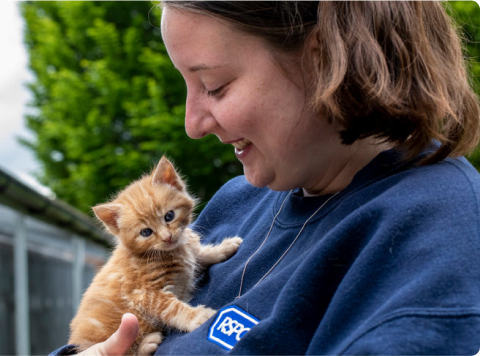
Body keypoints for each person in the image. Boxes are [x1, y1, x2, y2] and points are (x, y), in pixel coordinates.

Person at [52, 1, 480, 354]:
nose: (193, 123)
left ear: (324, 58)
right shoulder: (239, 201)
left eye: (215, 85)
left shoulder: (431, 245)